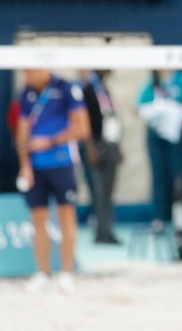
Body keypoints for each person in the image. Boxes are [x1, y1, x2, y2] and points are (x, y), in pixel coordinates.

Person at [15, 69, 90, 294]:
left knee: (66, 218)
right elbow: (22, 133)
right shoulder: (26, 93)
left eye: (30, 69)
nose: (25, 73)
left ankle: (67, 273)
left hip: (62, 163)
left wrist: (50, 141)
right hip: (36, 167)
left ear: (44, 68)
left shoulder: (66, 89)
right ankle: (42, 272)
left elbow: (82, 128)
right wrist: (25, 165)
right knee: (38, 220)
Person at [137, 69, 182, 231]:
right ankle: (160, 217)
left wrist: (175, 110)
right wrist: (157, 111)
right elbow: (137, 107)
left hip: (179, 137)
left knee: (179, 176)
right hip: (157, 136)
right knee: (159, 176)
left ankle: (180, 218)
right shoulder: (150, 82)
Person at [80, 69, 122, 245]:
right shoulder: (88, 90)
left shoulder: (103, 89)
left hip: (109, 143)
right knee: (99, 191)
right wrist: (90, 147)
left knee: (108, 190)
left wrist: (117, 146)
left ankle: (107, 229)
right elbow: (84, 121)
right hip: (96, 145)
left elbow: (111, 118)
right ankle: (101, 231)